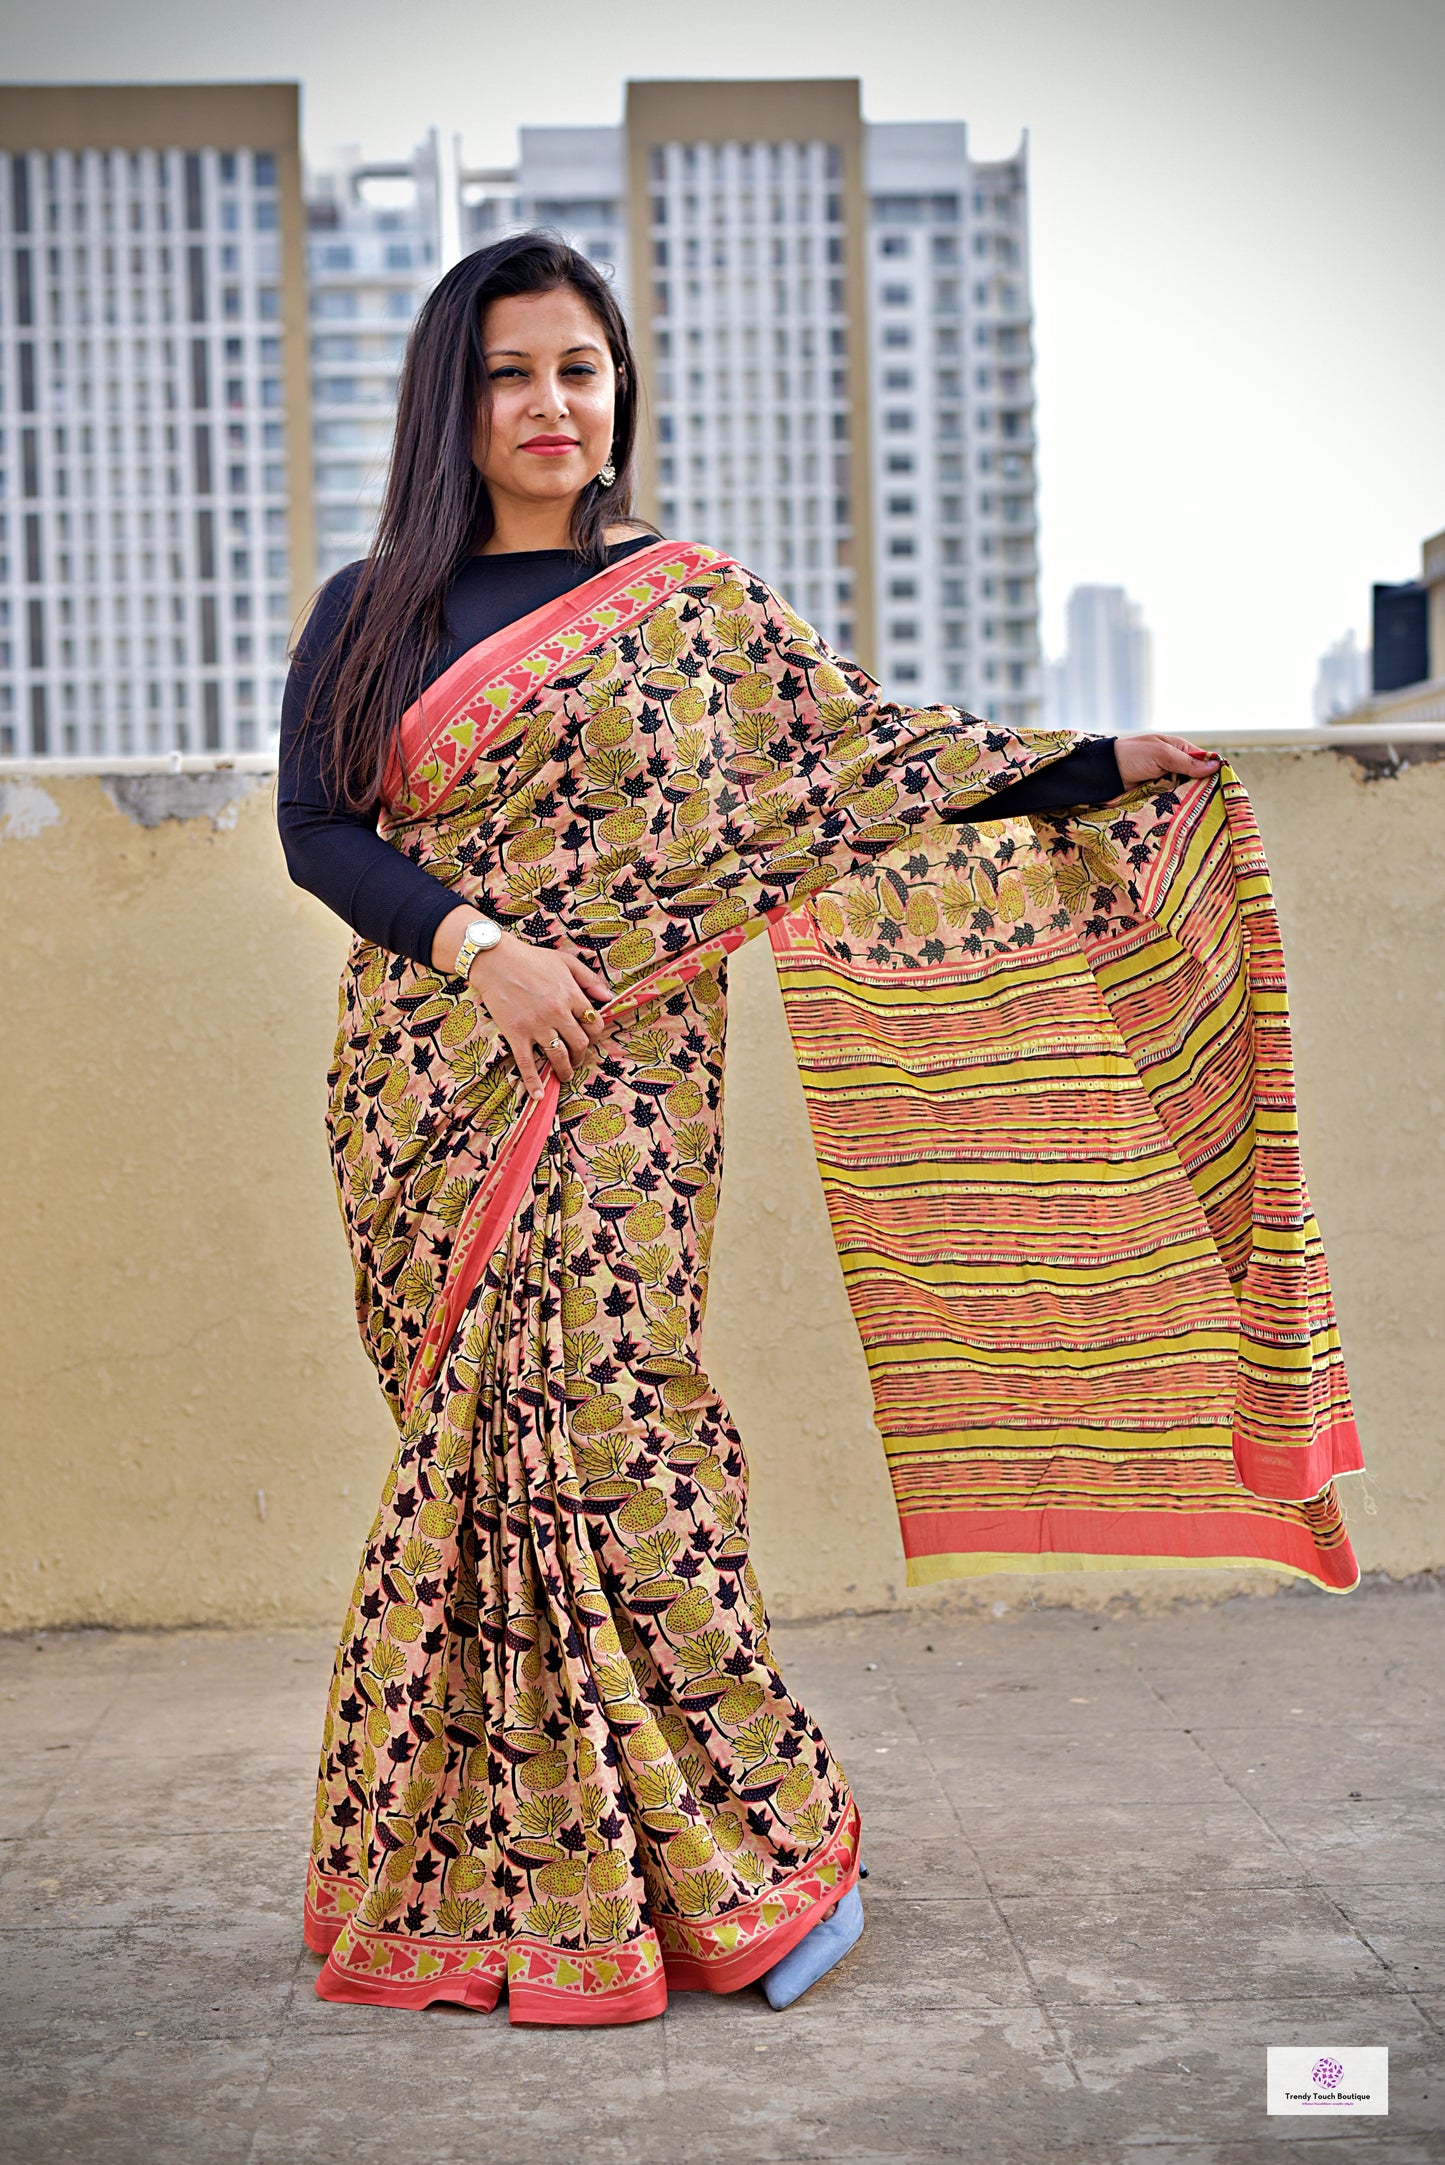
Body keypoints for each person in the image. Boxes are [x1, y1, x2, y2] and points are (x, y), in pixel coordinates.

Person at [278, 233, 1336, 2027]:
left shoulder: (692, 607)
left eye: (579, 369)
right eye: (510, 373)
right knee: (482, 1471)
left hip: (624, 1079)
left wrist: (1097, 766)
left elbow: (864, 763)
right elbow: (317, 828)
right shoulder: (370, 606)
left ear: (618, 391)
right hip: (431, 1078)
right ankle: (505, 1872)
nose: (549, 405)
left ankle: (744, 1860)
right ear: (450, 403)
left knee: (615, 1435)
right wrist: (480, 949)